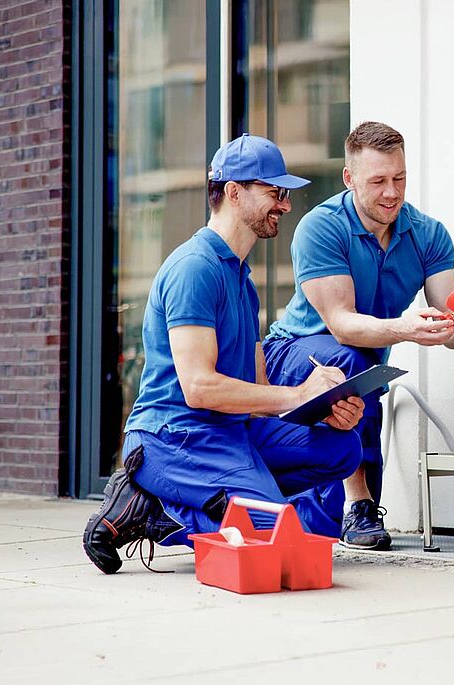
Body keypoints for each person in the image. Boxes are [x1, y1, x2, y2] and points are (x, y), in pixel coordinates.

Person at [83, 134, 366, 574]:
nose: (286, 204)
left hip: (231, 432)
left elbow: (258, 392)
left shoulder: (242, 281)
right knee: (272, 540)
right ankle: (152, 508)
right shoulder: (194, 269)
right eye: (275, 193)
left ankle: (199, 497)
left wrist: (321, 408)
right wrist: (297, 394)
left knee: (343, 449)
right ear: (234, 192)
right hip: (175, 437)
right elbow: (199, 388)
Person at [262, 121, 454, 550]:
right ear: (349, 178)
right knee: (351, 360)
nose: (391, 192)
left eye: (399, 179)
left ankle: (346, 510)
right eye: (378, 181)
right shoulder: (320, 228)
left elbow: (450, 324)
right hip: (291, 354)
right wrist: (405, 329)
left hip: (362, 369)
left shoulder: (428, 235)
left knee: (325, 523)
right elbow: (342, 324)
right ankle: (358, 503)